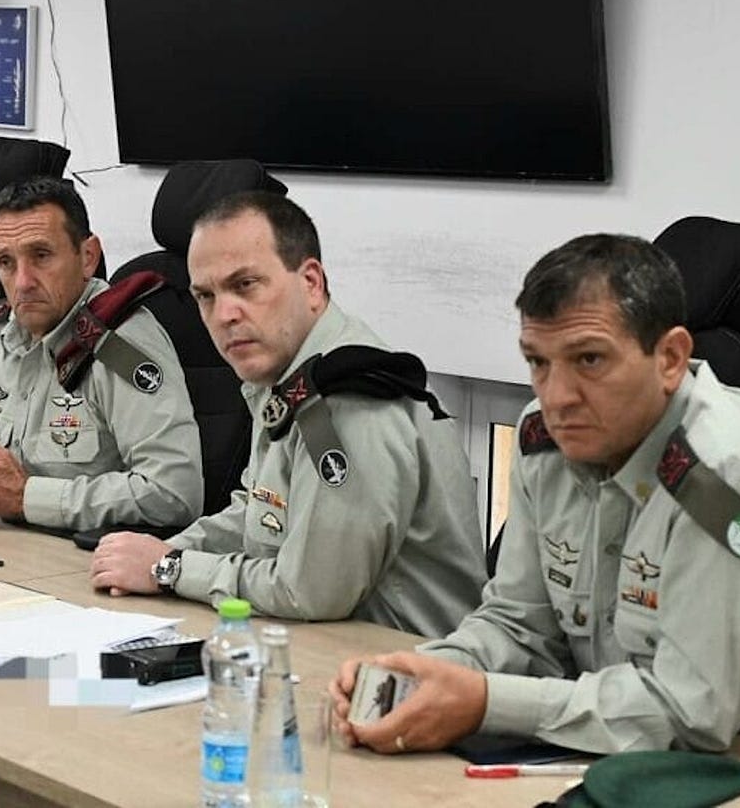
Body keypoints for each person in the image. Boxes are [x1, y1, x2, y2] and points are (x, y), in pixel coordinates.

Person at [330, 234, 740, 755]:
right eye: (538, 363)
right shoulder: (546, 438)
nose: (557, 397)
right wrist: (428, 672)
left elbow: (689, 712)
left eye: (589, 360)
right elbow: (519, 626)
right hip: (612, 749)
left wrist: (482, 702)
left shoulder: (728, 475)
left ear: (672, 358)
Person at [89, 191, 485, 635]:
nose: (224, 314)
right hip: (324, 646)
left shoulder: (346, 403)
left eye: (245, 286)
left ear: (311, 283)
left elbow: (310, 590)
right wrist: (160, 551)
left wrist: (170, 569)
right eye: (205, 295)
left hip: (400, 668)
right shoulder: (286, 375)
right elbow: (258, 512)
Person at [0, 176, 202, 532]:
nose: (23, 281)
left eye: (41, 256)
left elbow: (174, 493)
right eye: (6, 262)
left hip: (79, 561)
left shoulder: (120, 345)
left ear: (88, 257)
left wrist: (25, 497)